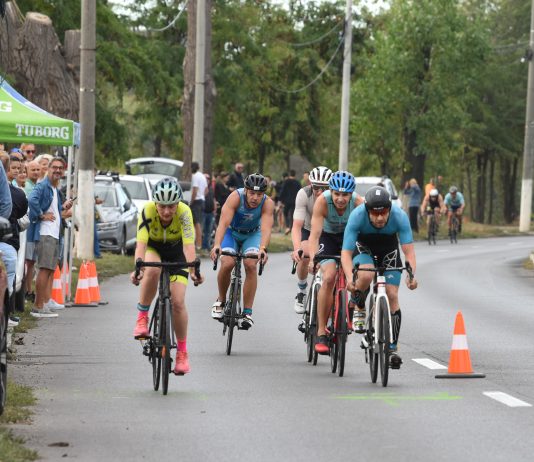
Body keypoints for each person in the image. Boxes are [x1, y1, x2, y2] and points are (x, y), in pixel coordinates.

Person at [131, 177, 203, 375]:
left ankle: (182, 353)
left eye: (171, 206)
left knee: (177, 302)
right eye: (162, 206)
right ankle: (142, 318)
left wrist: (193, 271)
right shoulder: (147, 210)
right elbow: (141, 245)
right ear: (155, 203)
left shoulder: (185, 212)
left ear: (178, 203)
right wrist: (138, 269)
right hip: (154, 248)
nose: (166, 211)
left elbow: (189, 246)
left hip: (177, 251)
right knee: (152, 269)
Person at [341, 186, 418, 368]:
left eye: (383, 212)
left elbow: (409, 252)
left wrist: (411, 275)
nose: (380, 218)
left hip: (389, 250)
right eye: (375, 214)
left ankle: (392, 348)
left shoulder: (399, 216)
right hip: (364, 248)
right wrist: (349, 278)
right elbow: (346, 253)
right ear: (367, 210)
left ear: (389, 209)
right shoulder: (357, 216)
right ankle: (359, 305)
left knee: (392, 294)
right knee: (366, 275)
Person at [307, 171, 363, 354]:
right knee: (329, 277)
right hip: (328, 238)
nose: (340, 199)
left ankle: (352, 305)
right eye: (336, 194)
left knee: (361, 273)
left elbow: (365, 233)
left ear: (351, 194)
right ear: (330, 191)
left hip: (349, 238)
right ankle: (321, 332)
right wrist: (313, 258)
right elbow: (315, 234)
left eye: (345, 195)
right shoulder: (322, 201)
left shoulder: (358, 203)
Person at [210, 173, 274, 329]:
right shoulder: (235, 197)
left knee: (251, 265)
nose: (255, 198)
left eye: (259, 194)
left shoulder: (267, 203)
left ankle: (247, 312)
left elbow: (266, 229)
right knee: (227, 263)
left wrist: (263, 249)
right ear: (245, 190)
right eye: (252, 193)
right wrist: (217, 244)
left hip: (252, 234)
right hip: (231, 232)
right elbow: (223, 224)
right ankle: (221, 300)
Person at [27, 157, 74, 318]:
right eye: (54, 167)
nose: (57, 170)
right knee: (44, 269)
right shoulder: (43, 185)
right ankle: (37, 306)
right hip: (45, 233)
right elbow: (31, 200)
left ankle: (45, 303)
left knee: (49, 270)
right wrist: (41, 215)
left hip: (54, 234)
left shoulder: (54, 188)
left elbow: (53, 209)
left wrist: (62, 206)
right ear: (48, 169)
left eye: (60, 168)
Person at [290, 166, 333, 314]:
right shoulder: (303, 194)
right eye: (316, 187)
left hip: (328, 231)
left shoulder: (337, 197)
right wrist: (297, 248)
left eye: (325, 188)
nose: (320, 192)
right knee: (304, 255)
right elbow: (296, 226)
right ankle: (302, 290)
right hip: (308, 229)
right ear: (310, 185)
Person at [190, 161, 208, 250]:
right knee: (198, 223)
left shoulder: (195, 176)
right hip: (202, 200)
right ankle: (198, 244)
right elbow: (206, 190)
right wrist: (202, 196)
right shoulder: (202, 176)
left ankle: (198, 245)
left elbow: (195, 190)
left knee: (197, 224)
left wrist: (191, 201)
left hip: (196, 201)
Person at [279, 170, 301, 235]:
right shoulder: (297, 182)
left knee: (285, 213)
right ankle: (292, 227)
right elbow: (300, 191)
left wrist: (280, 199)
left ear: (289, 175)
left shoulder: (286, 182)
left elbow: (283, 190)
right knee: (292, 214)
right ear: (295, 175)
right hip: (295, 200)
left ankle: (288, 226)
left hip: (287, 201)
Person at [202, 173, 216, 251]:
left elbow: (213, 198)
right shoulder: (201, 188)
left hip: (210, 212)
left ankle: (206, 246)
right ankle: (202, 246)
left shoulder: (211, 188)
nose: (207, 180)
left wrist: (215, 208)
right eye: (205, 178)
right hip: (203, 212)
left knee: (209, 231)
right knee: (203, 230)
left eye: (208, 178)